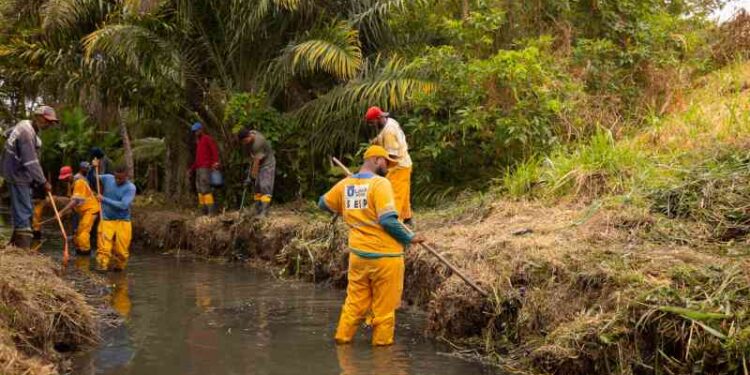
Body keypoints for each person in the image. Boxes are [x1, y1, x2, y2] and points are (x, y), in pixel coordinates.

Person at [318, 145, 426, 346]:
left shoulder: (346, 185)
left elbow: (322, 203)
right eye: (386, 162)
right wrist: (409, 237)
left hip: (358, 257)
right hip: (385, 258)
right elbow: (387, 221)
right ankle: (382, 355)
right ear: (376, 160)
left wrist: (346, 204)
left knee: (354, 305)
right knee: (384, 310)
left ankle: (342, 341)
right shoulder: (380, 184)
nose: (388, 167)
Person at [0, 105, 59, 249]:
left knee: (19, 208)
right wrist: (44, 182)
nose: (49, 124)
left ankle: (14, 243)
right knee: (25, 209)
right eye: (47, 120)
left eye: (51, 122)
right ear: (38, 117)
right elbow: (31, 162)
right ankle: (22, 247)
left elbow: (6, 134)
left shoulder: (23, 124)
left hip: (10, 170)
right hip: (16, 173)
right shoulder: (27, 133)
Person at [365, 107, 414, 225]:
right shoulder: (389, 121)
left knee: (395, 194)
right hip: (404, 163)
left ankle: (395, 223)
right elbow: (383, 137)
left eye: (372, 122)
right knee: (404, 192)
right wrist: (376, 141)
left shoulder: (389, 132)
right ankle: (407, 217)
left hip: (398, 166)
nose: (371, 125)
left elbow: (392, 155)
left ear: (378, 118)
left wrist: (379, 167)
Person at [50, 163, 100, 254]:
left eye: (66, 178)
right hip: (84, 211)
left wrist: (61, 212)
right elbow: (75, 202)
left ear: (70, 175)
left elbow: (75, 201)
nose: (64, 180)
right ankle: (80, 252)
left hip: (91, 209)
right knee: (77, 234)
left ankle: (85, 254)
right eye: (63, 178)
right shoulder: (73, 184)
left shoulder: (79, 182)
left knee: (83, 233)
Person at [94, 164, 136, 272]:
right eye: (116, 177)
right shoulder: (108, 178)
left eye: (121, 178)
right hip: (107, 219)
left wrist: (103, 199)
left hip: (123, 221)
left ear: (127, 176)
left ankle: (118, 267)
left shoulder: (130, 188)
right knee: (103, 247)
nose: (117, 180)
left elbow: (123, 205)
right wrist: (92, 167)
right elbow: (94, 177)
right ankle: (102, 266)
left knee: (121, 250)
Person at [238, 128, 275, 218]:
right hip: (257, 163)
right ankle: (257, 209)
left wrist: (251, 177)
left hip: (267, 164)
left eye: (245, 141)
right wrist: (250, 174)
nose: (244, 143)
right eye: (242, 142)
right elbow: (251, 157)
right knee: (257, 187)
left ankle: (264, 212)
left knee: (264, 185)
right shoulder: (248, 140)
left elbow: (256, 161)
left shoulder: (259, 142)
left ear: (249, 136)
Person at [188, 122, 220, 215]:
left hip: (205, 168)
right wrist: (192, 169)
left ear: (201, 129)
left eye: (197, 130)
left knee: (206, 189)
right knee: (199, 190)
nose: (196, 133)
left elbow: (214, 150)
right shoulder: (198, 142)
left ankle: (211, 212)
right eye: (194, 131)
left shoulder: (207, 139)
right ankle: (203, 211)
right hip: (198, 168)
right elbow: (198, 158)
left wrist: (216, 162)